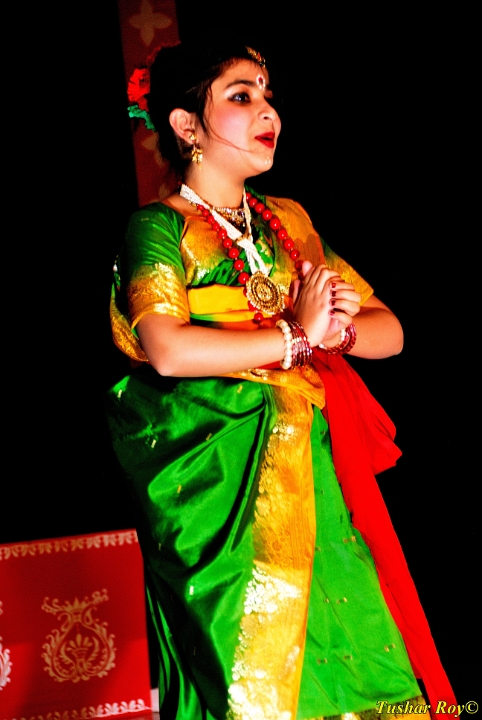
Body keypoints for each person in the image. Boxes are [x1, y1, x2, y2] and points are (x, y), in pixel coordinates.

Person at [106, 41, 454, 720]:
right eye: (242, 96)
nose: (269, 112)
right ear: (185, 125)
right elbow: (167, 350)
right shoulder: (158, 228)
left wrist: (336, 332)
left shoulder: (287, 223)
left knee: (358, 650)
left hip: (317, 472)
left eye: (267, 95)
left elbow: (390, 331)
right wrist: (297, 337)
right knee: (250, 674)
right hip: (220, 485)